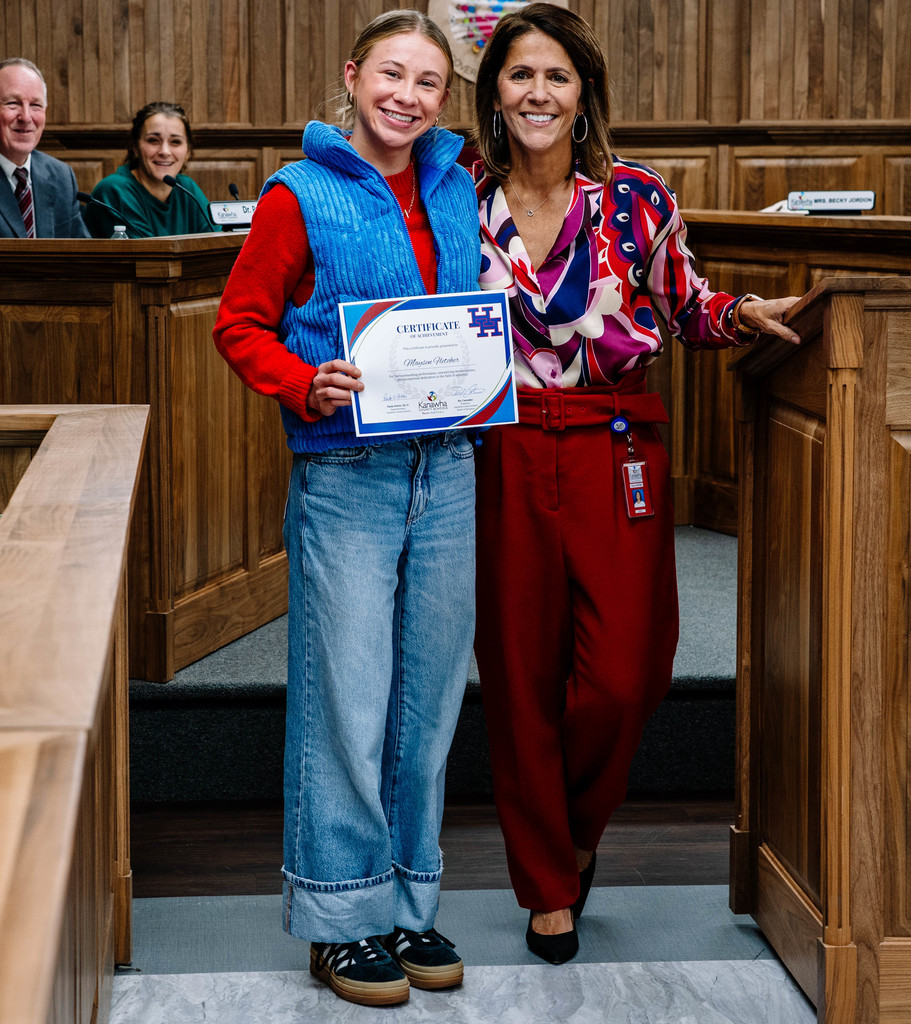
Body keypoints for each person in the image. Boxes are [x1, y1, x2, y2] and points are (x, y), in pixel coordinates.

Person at [471, 2, 801, 966]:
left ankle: (574, 835)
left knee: (627, 671)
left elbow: (686, 303)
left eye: (556, 77)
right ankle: (546, 883)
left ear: (584, 95)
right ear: (495, 91)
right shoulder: (457, 197)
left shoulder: (634, 198)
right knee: (520, 672)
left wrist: (741, 312)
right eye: (520, 74)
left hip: (618, 444)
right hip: (500, 448)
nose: (537, 92)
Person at [212, 10, 480, 1008]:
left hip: (447, 469)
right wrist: (300, 380)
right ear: (352, 75)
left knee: (428, 699)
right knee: (348, 695)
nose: (406, 97)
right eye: (391, 75)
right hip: (348, 478)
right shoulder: (301, 194)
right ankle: (338, 916)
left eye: (428, 83)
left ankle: (407, 900)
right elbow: (239, 326)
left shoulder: (457, 186)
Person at [84, 101, 213, 237]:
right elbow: (149, 255)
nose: (165, 151)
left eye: (175, 142)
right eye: (153, 140)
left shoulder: (187, 188)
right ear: (135, 147)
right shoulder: (114, 189)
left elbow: (217, 242)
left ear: (187, 152)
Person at [0, 58, 89, 238]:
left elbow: (82, 257)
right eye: (12, 103)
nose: (26, 117)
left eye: (35, 105)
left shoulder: (61, 177)